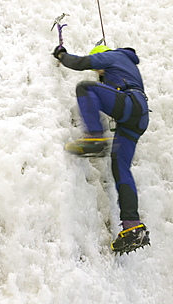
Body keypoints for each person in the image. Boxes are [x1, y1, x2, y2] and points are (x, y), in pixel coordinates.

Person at [53, 44, 150, 255]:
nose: (98, 72)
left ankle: (95, 138)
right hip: (138, 119)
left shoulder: (110, 56)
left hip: (130, 105)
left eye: (99, 69)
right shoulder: (127, 65)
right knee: (120, 166)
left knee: (85, 88)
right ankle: (133, 226)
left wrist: (61, 55)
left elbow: (82, 63)